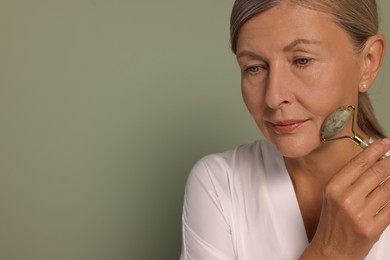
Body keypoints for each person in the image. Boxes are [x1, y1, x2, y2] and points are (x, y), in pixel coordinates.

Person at [180, 0, 390, 259]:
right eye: (254, 67)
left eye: (302, 60)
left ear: (368, 62)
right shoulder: (220, 184)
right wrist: (331, 252)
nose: (273, 97)